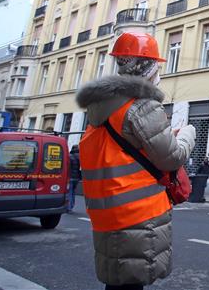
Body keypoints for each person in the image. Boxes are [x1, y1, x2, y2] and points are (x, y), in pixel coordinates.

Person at [76, 32, 196, 290]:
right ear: (149, 68)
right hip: (137, 212)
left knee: (118, 281)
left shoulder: (102, 107)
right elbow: (171, 157)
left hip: (108, 211)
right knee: (129, 284)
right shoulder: (142, 106)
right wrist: (188, 135)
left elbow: (126, 147)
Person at [67, 144, 81, 212]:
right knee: (73, 192)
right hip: (77, 177)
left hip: (70, 177)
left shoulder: (70, 156)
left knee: (70, 191)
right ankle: (72, 205)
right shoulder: (81, 156)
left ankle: (69, 207)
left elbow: (67, 167)